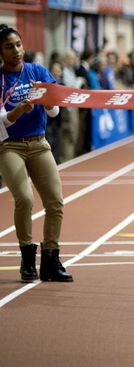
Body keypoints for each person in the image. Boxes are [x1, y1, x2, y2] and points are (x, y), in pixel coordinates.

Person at [0, 24, 73, 283]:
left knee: (55, 201)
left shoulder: (37, 72)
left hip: (39, 144)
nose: (16, 51)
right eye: (9, 47)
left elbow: (54, 112)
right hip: (10, 147)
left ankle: (51, 260)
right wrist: (18, 110)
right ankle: (27, 259)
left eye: (18, 45)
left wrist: (50, 102)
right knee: (25, 199)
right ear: (1, 52)